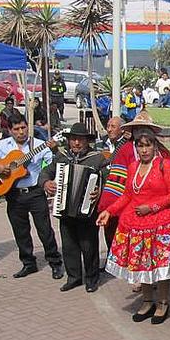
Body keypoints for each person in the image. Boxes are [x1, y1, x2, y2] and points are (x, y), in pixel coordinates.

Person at [97, 129, 170, 323]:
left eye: (148, 145)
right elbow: (128, 195)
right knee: (142, 263)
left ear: (154, 146)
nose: (144, 150)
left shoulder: (164, 165)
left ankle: (162, 303)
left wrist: (152, 207)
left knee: (160, 265)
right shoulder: (133, 166)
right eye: (140, 146)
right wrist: (109, 211)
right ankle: (146, 301)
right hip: (136, 222)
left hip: (161, 222)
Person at [0, 112, 64, 280]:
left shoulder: (39, 144)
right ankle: (28, 263)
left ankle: (55, 262)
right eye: (16, 129)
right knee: (20, 231)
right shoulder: (3, 146)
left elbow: (52, 164)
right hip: (14, 194)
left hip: (35, 193)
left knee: (45, 230)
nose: (21, 132)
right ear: (10, 130)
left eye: (24, 128)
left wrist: (53, 150)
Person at [41, 123, 109, 293]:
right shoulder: (61, 157)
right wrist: (46, 182)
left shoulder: (97, 158)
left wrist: (99, 191)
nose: (77, 143)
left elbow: (108, 182)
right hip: (65, 210)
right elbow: (46, 172)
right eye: (73, 139)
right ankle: (74, 277)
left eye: (81, 139)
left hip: (88, 212)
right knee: (69, 245)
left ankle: (92, 278)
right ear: (69, 141)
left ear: (87, 141)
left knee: (89, 246)